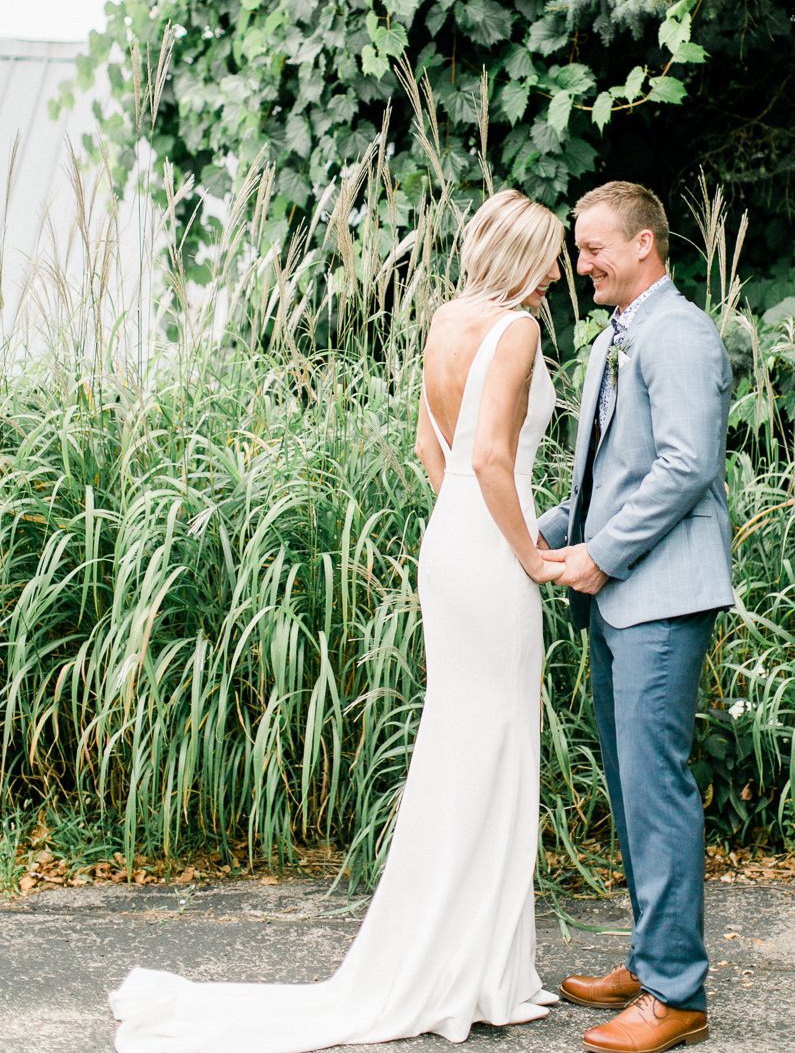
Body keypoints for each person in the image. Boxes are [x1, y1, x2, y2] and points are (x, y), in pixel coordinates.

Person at [109, 189, 566, 1052]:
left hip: (451, 540)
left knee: (461, 737)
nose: (556, 272)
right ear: (520, 256)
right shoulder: (517, 331)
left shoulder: (444, 322)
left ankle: (469, 959)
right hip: (496, 547)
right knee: (496, 738)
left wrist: (464, 522)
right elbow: (498, 458)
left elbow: (436, 453)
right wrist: (532, 558)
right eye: (548, 255)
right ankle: (477, 970)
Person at [538, 181, 732, 1053]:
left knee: (656, 790)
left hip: (659, 595)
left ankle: (677, 994)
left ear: (646, 245)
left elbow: (687, 465)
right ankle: (650, 955)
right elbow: (606, 480)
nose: (582, 266)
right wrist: (531, 533)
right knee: (628, 787)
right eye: (580, 251)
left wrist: (603, 555)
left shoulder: (679, 333)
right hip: (619, 599)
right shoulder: (616, 340)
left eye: (594, 249)